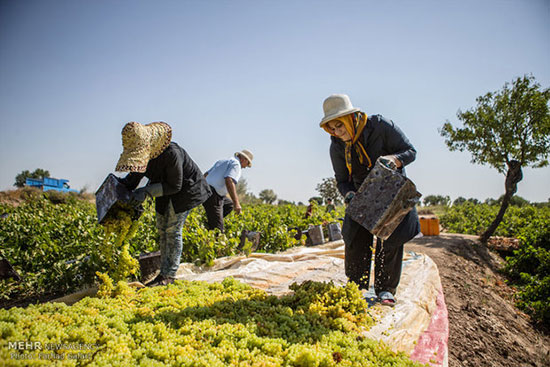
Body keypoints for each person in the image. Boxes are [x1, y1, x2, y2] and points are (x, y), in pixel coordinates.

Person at [319, 94, 420, 306]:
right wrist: (349, 195)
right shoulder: (336, 147)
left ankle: (385, 289)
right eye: (332, 129)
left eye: (340, 126)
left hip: (390, 191)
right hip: (361, 195)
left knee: (389, 238)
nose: (337, 132)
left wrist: (395, 159)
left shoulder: (380, 127)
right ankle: (357, 285)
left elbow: (410, 151)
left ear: (351, 118)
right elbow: (342, 180)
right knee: (354, 238)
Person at [115, 121, 211, 286]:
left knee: (172, 231)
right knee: (162, 229)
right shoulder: (144, 157)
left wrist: (146, 191)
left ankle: (169, 275)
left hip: (185, 191)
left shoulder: (171, 153)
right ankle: (163, 273)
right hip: (164, 190)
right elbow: (133, 179)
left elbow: (175, 185)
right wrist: (118, 188)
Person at [202, 150, 253, 232]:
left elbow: (205, 175)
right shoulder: (236, 165)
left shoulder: (222, 161)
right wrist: (237, 203)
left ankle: (211, 221)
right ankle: (213, 225)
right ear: (244, 159)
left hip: (206, 190)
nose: (245, 167)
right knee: (218, 230)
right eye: (247, 164)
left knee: (229, 204)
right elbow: (229, 180)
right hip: (213, 195)